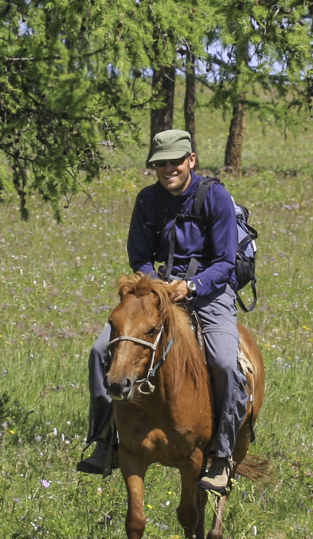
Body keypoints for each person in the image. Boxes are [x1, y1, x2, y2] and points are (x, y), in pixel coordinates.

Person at [82, 129, 248, 494]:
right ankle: (105, 439)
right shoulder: (148, 200)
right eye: (160, 163)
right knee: (99, 351)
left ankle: (222, 453)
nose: (168, 168)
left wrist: (190, 286)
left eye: (175, 161)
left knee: (223, 362)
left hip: (209, 291)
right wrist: (156, 286)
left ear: (190, 161)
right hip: (158, 291)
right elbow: (139, 255)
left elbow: (225, 261)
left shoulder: (214, 197)